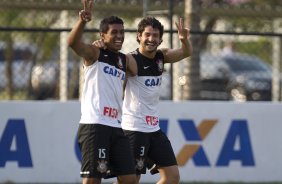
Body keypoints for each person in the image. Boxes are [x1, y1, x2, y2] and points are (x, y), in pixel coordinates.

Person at [94, 17, 192, 184]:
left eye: (155, 36)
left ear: (161, 39)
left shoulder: (162, 57)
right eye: (147, 34)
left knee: (172, 177)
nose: (151, 39)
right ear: (139, 36)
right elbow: (109, 59)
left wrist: (184, 40)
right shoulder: (129, 59)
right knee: (130, 180)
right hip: (133, 129)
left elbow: (186, 52)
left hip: (154, 129)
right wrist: (100, 46)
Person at [67, 0, 137, 184]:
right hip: (95, 125)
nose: (119, 36)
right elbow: (72, 43)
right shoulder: (95, 53)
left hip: (116, 126)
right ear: (102, 35)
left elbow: (136, 70)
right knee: (92, 181)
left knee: (130, 179)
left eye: (122, 32)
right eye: (114, 32)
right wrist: (82, 21)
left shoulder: (124, 60)